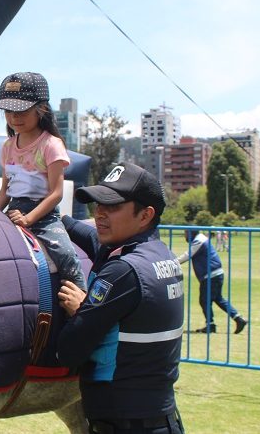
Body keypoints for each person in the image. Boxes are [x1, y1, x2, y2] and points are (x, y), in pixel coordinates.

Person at [55, 162, 185, 434]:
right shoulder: (158, 254)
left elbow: (68, 351)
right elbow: (89, 235)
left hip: (125, 424)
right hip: (158, 416)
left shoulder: (123, 270)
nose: (100, 214)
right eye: (98, 205)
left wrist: (81, 310)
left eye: (112, 206)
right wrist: (58, 219)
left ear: (145, 215)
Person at [0, 72, 86, 289]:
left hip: (43, 216)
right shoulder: (7, 146)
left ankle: (82, 301)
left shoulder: (51, 145)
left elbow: (56, 193)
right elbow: (6, 189)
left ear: (40, 109)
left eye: (22, 110)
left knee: (66, 255)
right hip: (14, 210)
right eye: (9, 111)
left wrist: (29, 219)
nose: (15, 117)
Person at [177, 229, 247, 334]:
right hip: (215, 274)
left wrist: (171, 263)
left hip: (210, 275)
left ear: (192, 233)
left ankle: (211, 325)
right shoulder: (201, 239)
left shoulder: (199, 241)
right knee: (218, 299)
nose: (185, 236)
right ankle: (238, 318)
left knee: (204, 300)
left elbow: (187, 255)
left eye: (186, 233)